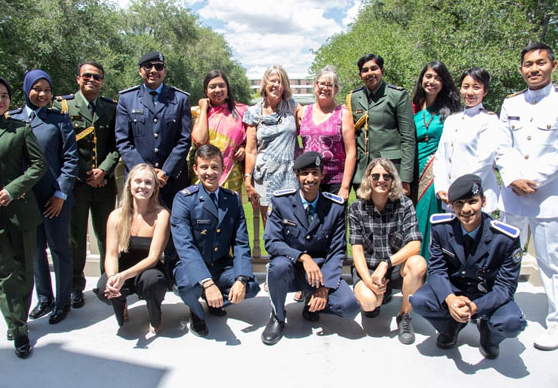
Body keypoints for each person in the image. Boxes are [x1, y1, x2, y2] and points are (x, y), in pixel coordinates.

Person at [410, 174, 526, 359]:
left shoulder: (505, 238)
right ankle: (451, 326)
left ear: (484, 201)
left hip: (487, 295)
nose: (466, 209)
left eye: (472, 201)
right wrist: (450, 299)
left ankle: (489, 334)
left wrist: (475, 307)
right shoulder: (441, 228)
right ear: (451, 205)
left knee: (512, 322)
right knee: (419, 301)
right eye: (459, 203)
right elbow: (437, 270)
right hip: (454, 291)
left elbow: (505, 287)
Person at [0, 75, 46, 358]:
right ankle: (18, 329)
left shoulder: (20, 129)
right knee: (1, 274)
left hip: (20, 212)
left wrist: (13, 190)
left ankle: (18, 316)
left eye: (4, 95)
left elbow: (38, 166)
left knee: (25, 271)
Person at [496, 42, 558, 351]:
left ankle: (556, 323)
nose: (534, 69)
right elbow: (503, 145)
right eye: (529, 64)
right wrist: (511, 177)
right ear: (521, 69)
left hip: (548, 196)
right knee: (509, 255)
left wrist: (531, 179)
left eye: (541, 63)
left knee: (550, 261)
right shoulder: (512, 104)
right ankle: (503, 306)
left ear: (553, 65)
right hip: (513, 195)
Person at [261, 151, 359, 345]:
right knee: (278, 267)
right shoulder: (281, 202)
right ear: (296, 175)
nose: (310, 179)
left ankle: (313, 304)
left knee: (349, 307)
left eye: (315, 173)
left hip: (320, 273)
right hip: (291, 269)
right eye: (305, 173)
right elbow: (272, 242)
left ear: (323, 175)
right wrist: (303, 257)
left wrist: (324, 287)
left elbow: (338, 249)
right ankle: (278, 316)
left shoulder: (335, 207)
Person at [9, 70, 78, 325]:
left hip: (55, 199)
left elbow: (71, 160)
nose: (43, 94)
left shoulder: (58, 120)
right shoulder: (13, 120)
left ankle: (63, 302)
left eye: (47, 90)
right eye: (37, 89)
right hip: (26, 199)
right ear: (27, 88)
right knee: (35, 250)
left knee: (60, 250)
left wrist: (60, 193)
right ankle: (45, 298)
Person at [171, 144, 259, 336]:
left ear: (223, 168)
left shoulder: (232, 199)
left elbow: (241, 242)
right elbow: (185, 246)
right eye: (204, 167)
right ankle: (196, 312)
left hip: (220, 265)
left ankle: (214, 301)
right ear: (195, 169)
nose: (209, 172)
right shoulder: (184, 199)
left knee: (251, 287)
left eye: (214, 167)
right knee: (187, 286)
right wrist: (207, 283)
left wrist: (241, 278)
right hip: (191, 266)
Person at [54, 61, 120, 309]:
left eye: (97, 77)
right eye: (87, 75)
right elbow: (62, 145)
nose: (92, 80)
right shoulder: (63, 106)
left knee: (107, 236)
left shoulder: (110, 108)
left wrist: (103, 170)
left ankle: (107, 283)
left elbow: (116, 145)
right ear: (78, 79)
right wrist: (85, 173)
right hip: (77, 185)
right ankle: (75, 287)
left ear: (102, 81)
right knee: (76, 238)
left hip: (104, 184)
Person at [349, 158, 426, 345]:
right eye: (375, 176)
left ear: (393, 180)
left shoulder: (405, 205)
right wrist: (369, 281)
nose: (381, 180)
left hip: (394, 269)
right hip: (368, 269)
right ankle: (378, 297)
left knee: (418, 264)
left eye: (386, 176)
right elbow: (357, 251)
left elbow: (415, 244)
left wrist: (386, 263)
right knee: (369, 302)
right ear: (368, 179)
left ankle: (404, 316)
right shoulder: (356, 208)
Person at [95, 163, 170, 334]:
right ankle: (120, 303)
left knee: (153, 282)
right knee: (103, 287)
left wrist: (123, 276)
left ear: (154, 189)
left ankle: (155, 312)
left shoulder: (162, 215)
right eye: (138, 181)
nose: (142, 186)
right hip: (123, 268)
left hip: (149, 269)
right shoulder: (116, 216)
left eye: (148, 183)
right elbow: (112, 255)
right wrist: (114, 278)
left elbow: (153, 257)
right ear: (129, 185)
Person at [115, 50, 191, 210]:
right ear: (140, 70)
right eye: (148, 66)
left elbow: (184, 140)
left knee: (172, 231)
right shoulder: (127, 99)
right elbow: (123, 140)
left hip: (171, 181)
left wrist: (166, 172)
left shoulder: (180, 99)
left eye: (159, 66)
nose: (153, 71)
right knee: (136, 231)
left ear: (165, 71)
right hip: (138, 182)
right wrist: (145, 173)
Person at [434, 67, 500, 216]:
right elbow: (441, 157)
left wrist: (460, 190)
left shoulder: (489, 120)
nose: (470, 92)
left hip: (476, 197)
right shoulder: (452, 120)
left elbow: (484, 161)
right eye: (466, 87)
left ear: (485, 91)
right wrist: (441, 187)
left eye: (476, 87)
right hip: (450, 198)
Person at [411, 61, 461, 260]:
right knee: (412, 218)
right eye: (428, 76)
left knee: (428, 217)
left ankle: (431, 270)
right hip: (412, 170)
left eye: (438, 78)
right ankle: (412, 269)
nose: (432, 81)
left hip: (434, 171)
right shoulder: (412, 105)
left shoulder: (451, 110)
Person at [347, 54, 415, 195]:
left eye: (374, 68)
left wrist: (405, 178)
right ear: (360, 75)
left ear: (382, 71)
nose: (370, 73)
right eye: (365, 70)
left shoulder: (397, 95)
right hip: (362, 172)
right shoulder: (353, 97)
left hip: (389, 171)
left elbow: (408, 138)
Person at [243, 65, 299, 226]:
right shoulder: (253, 112)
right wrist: (248, 179)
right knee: (271, 228)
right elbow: (251, 150)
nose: (276, 85)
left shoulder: (292, 106)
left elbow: (311, 119)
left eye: (280, 81)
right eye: (272, 80)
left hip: (289, 176)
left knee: (293, 226)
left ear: (285, 86)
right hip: (265, 178)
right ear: (265, 84)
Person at [298, 66, 356, 201]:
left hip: (335, 182)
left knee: (334, 221)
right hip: (309, 180)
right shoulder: (303, 112)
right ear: (315, 86)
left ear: (335, 89)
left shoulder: (343, 114)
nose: (325, 88)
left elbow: (351, 152)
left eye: (330, 85)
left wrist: (345, 187)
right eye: (322, 83)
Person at [189, 70, 248, 197]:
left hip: (231, 174)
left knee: (229, 212)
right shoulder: (196, 112)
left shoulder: (241, 111)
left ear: (227, 88)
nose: (217, 90)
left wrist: (243, 148)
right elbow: (199, 140)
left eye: (221, 85)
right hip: (204, 172)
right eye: (212, 86)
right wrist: (204, 109)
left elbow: (250, 140)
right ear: (206, 91)